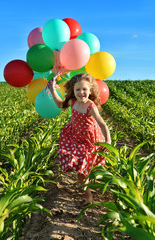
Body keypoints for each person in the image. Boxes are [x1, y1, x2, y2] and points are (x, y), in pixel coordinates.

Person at [48, 73, 111, 205]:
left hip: (91, 139)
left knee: (91, 167)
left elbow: (102, 124)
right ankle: (88, 196)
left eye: (84, 89)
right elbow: (60, 104)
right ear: (73, 91)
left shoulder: (91, 106)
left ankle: (94, 182)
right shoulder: (73, 102)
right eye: (78, 89)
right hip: (76, 138)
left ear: (90, 90)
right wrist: (53, 89)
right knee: (81, 170)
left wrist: (108, 141)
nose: (81, 92)